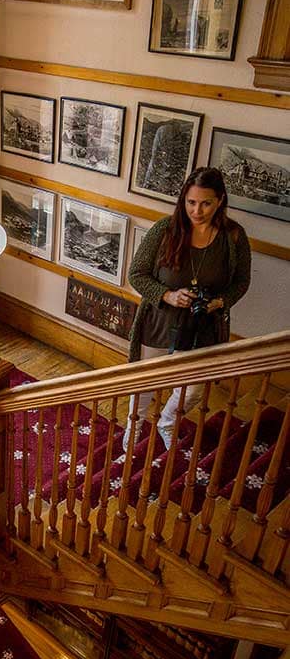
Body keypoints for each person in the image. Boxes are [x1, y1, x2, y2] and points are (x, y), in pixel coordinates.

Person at [125, 166, 251, 450]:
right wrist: (167, 295)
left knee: (194, 385)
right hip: (159, 320)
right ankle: (135, 424)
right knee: (146, 379)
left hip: (203, 325)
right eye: (191, 202)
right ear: (183, 200)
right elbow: (136, 273)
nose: (197, 210)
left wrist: (221, 302)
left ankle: (167, 421)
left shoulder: (233, 237)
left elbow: (242, 282)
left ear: (220, 200)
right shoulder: (165, 230)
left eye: (206, 203)